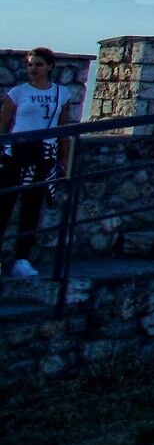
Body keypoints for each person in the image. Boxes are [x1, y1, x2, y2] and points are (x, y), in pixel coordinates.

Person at [1, 47, 75, 279]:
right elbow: (4, 125)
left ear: (50, 67)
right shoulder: (17, 93)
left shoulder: (61, 94)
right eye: (30, 64)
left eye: (38, 64)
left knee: (32, 207)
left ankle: (21, 260)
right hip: (17, 153)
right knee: (4, 206)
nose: (33, 69)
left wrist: (65, 158)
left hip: (44, 154)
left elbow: (62, 128)